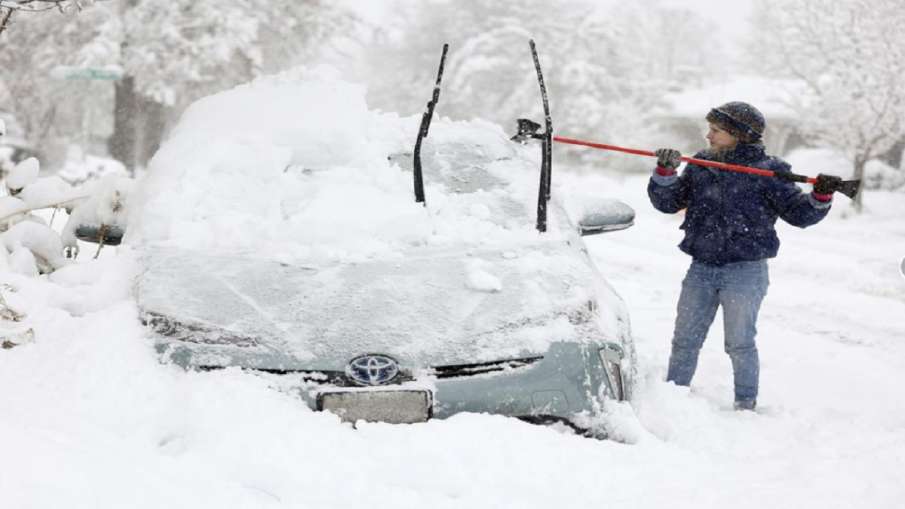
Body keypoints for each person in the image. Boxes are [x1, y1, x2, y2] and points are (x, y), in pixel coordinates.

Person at [647, 101, 842, 411]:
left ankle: (745, 404)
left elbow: (800, 214)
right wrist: (665, 172)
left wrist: (821, 195)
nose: (708, 136)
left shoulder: (769, 172)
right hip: (701, 267)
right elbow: (670, 202)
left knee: (739, 344)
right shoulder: (702, 163)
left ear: (738, 134)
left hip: (745, 272)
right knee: (684, 339)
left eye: (716, 130)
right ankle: (673, 399)